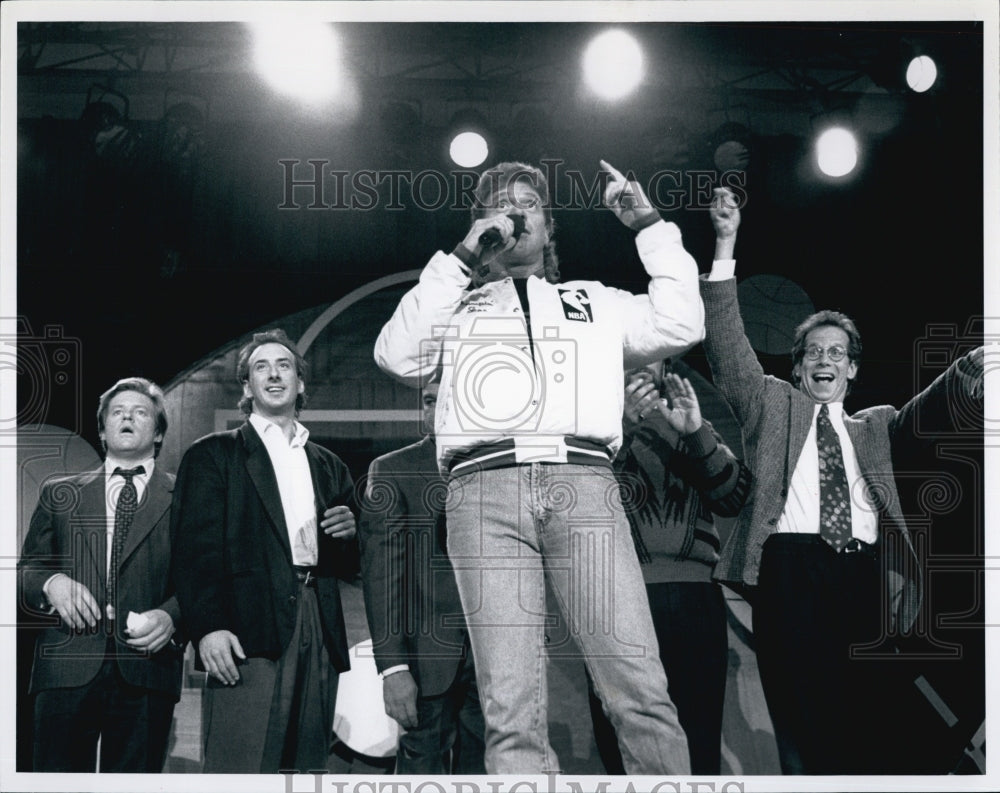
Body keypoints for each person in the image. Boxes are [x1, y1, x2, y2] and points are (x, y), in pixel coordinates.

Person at [374, 159, 704, 774]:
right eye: (499, 206)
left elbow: (683, 320)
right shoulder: (457, 307)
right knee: (511, 708)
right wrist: (462, 254)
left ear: (550, 228)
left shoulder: (594, 302)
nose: (515, 212)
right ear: (483, 226)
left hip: (583, 484)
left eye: (528, 204)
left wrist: (649, 226)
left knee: (639, 687)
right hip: (482, 490)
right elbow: (396, 355)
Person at [702, 187, 985, 774]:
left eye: (836, 351)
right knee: (801, 723)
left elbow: (926, 411)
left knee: (863, 723)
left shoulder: (874, 426)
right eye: (812, 352)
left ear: (852, 368)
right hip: (791, 571)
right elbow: (728, 351)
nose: (823, 359)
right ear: (799, 365)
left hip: (862, 577)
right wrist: (725, 247)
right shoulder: (773, 404)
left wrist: (969, 371)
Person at [171, 328, 359, 773]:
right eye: (261, 367)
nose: (274, 375)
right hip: (246, 626)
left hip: (318, 620)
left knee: (307, 767)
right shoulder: (214, 454)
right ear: (247, 387)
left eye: (284, 366)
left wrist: (352, 534)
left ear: (301, 383)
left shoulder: (328, 464)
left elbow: (351, 564)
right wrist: (209, 627)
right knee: (242, 764)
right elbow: (194, 553)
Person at [588, 360, 751, 775]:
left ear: (666, 365)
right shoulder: (586, 425)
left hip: (695, 597)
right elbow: (576, 500)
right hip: (615, 596)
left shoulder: (691, 421)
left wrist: (696, 434)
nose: (641, 362)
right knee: (623, 740)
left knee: (698, 739)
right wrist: (617, 429)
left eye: (653, 352)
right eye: (628, 351)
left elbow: (733, 498)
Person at [18, 377, 182, 772]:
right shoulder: (60, 492)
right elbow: (28, 570)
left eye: (140, 412)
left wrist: (173, 615)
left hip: (146, 666)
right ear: (102, 429)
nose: (127, 417)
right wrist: (51, 583)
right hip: (66, 666)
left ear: (158, 433)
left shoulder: (185, 496)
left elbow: (202, 577)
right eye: (117, 412)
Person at [359, 380, 486, 773]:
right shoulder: (392, 470)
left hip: (495, 662)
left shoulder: (500, 468)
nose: (437, 409)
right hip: (426, 663)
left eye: (448, 399)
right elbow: (382, 579)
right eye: (429, 400)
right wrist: (394, 668)